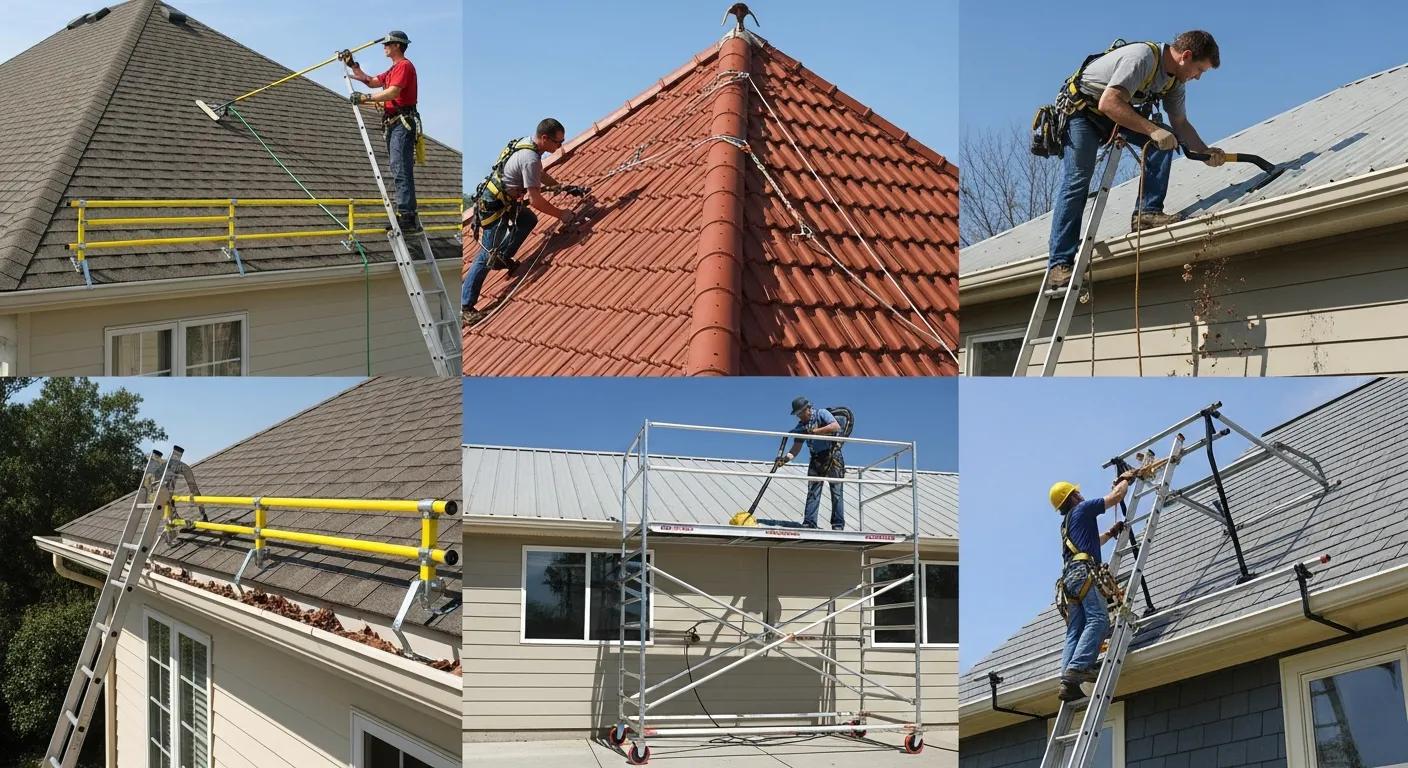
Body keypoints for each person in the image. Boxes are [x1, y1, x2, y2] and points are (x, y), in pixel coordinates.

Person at [1046, 31, 1226, 290]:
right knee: (1077, 181)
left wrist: (1205, 151)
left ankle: (1147, 213)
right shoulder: (1142, 58)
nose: (1198, 77)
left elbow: (1181, 124)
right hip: (1083, 113)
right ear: (1186, 56)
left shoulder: (1174, 82)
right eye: (1199, 70)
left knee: (1166, 140)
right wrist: (1153, 130)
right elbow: (1109, 103)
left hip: (1115, 115)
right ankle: (1059, 265)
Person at [461, 119, 582, 326]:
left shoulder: (526, 144)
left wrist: (562, 187)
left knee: (527, 219)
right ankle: (465, 306)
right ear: (545, 138)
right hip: (495, 207)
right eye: (557, 142)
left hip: (500, 199)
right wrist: (562, 214)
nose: (559, 147)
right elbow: (535, 200)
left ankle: (504, 256)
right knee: (486, 256)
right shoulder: (530, 158)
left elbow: (539, 175)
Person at [1050, 473, 1135, 701]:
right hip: (1083, 573)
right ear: (1074, 496)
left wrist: (1109, 533)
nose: (1081, 494)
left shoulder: (1067, 523)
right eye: (1078, 492)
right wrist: (1126, 478)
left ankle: (1067, 681)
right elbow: (1116, 496)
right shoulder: (1084, 509)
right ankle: (1078, 667)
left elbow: (1089, 543)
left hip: (1070, 580)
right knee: (1099, 619)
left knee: (1075, 630)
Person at [342, 31, 422, 236]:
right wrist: (353, 65)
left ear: (397, 45)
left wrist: (365, 99)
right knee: (399, 168)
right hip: (394, 124)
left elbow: (393, 92)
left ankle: (407, 216)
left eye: (387, 44)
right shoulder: (393, 70)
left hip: (402, 123)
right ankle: (406, 214)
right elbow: (370, 81)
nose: (384, 47)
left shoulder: (405, 66)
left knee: (400, 168)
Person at [780, 397, 845, 530]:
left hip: (832, 455)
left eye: (800, 413)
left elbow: (835, 426)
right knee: (813, 491)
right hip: (816, 458)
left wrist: (814, 432)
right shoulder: (801, 427)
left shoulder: (821, 414)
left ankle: (838, 525)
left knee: (836, 491)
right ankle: (810, 522)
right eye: (797, 414)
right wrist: (784, 459)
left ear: (808, 409)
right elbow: (795, 449)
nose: (799, 416)